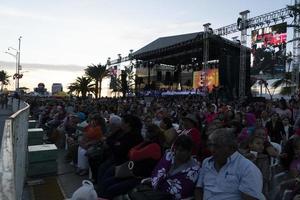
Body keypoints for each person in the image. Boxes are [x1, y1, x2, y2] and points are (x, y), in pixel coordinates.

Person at [195, 128, 265, 200]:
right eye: (210, 145)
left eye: (217, 146)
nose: (212, 150)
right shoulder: (207, 162)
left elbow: (250, 198)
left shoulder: (247, 168)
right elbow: (199, 189)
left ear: (231, 148)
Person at [151, 134, 201, 200]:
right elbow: (156, 173)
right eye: (176, 149)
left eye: (181, 150)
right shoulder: (168, 156)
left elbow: (184, 189)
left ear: (189, 152)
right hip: (156, 194)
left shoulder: (195, 169)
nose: (177, 152)